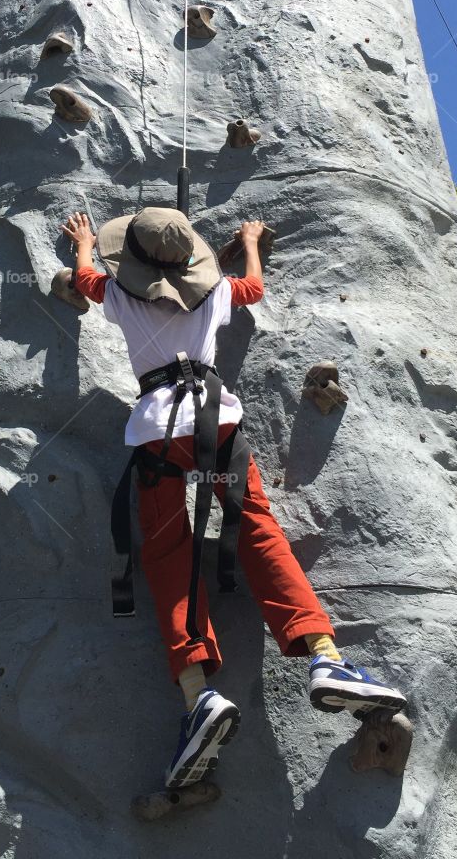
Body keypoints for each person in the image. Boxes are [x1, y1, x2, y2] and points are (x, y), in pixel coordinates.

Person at [60, 205, 407, 789]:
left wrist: (85, 242)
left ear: (136, 262)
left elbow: (85, 281)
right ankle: (325, 657)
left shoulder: (122, 297)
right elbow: (254, 287)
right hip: (217, 423)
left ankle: (199, 693)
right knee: (257, 531)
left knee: (171, 552)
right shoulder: (216, 293)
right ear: (190, 262)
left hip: (157, 433)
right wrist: (248, 241)